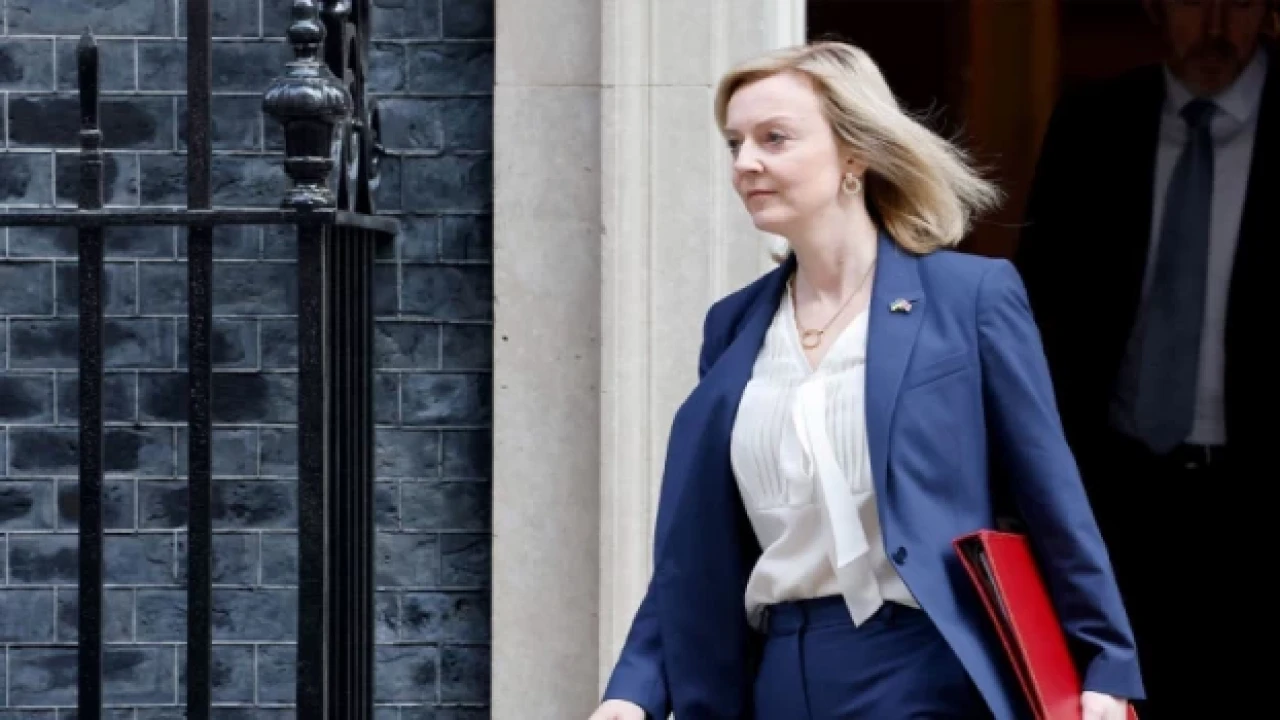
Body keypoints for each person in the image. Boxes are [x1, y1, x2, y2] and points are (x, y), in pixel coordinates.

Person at [588, 41, 1142, 720]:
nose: (745, 163)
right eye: (735, 143)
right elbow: (699, 546)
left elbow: (1050, 495)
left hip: (923, 669)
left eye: (774, 138)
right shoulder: (732, 327)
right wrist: (633, 692)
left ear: (854, 153)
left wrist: (1104, 663)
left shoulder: (969, 297)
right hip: (776, 678)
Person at [1014, 1, 1274, 714]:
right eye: (1193, 0)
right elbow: (1040, 309)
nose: (1216, 25)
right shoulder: (1094, 122)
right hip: (1119, 491)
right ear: (1155, 7)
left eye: (1238, 1)